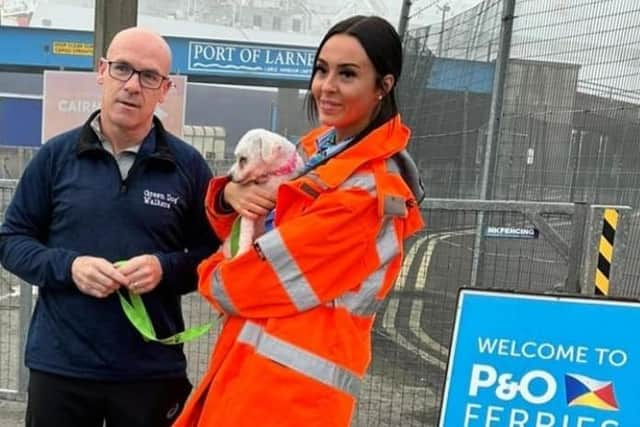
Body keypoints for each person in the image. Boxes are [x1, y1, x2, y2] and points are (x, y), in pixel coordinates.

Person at [173, 15, 425, 427]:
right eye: (322, 70)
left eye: (347, 74)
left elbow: (244, 284)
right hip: (254, 377)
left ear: (384, 86)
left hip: (290, 399)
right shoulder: (318, 155)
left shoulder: (366, 194)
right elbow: (247, 233)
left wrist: (211, 273)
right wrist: (228, 195)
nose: (326, 86)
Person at [0, 27, 219, 427]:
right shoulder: (55, 157)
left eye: (148, 76)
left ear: (164, 89)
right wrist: (70, 267)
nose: (132, 86)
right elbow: (11, 241)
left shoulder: (188, 168)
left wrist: (164, 269)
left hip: (150, 371)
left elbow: (214, 257)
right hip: (61, 367)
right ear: (102, 71)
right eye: (122, 69)